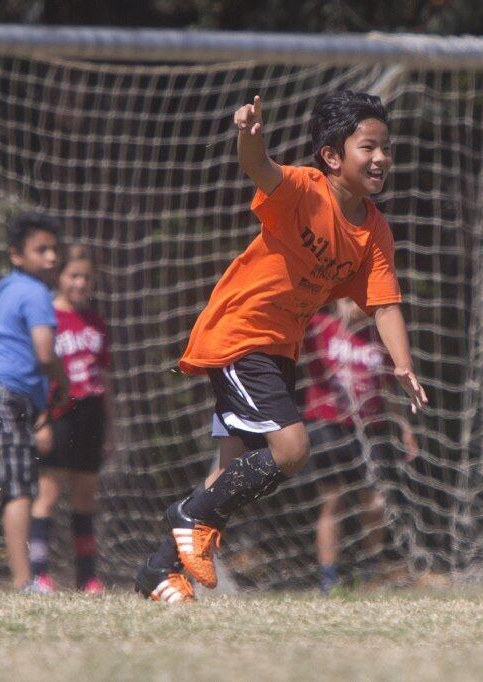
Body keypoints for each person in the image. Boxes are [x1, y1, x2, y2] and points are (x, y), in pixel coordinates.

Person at [134, 91, 428, 604]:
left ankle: (160, 572)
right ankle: (190, 516)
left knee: (229, 467)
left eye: (386, 147)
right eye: (368, 146)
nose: (381, 157)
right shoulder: (304, 190)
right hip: (240, 335)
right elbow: (260, 167)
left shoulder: (375, 228)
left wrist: (402, 364)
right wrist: (249, 136)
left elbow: (384, 303)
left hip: (278, 351)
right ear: (333, 156)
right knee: (291, 449)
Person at [0, 212, 69, 591]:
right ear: (17, 255)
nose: (51, 257)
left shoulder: (4, 288)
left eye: (54, 250)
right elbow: (45, 353)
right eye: (41, 250)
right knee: (19, 486)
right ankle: (24, 581)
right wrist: (62, 382)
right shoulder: (37, 294)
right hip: (9, 395)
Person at [303, 298, 419, 593]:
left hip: (369, 428)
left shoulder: (377, 339)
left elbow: (389, 389)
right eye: (348, 300)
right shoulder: (320, 327)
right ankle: (328, 578)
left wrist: (404, 427)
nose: (354, 306)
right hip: (328, 425)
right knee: (332, 503)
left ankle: (369, 571)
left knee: (376, 502)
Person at [29, 244, 114, 594]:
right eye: (74, 276)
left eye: (87, 278)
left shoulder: (95, 322)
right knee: (48, 493)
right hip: (59, 411)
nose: (80, 283)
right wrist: (40, 421)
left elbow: (105, 378)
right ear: (60, 277)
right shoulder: (48, 318)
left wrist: (113, 427)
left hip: (91, 414)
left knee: (85, 497)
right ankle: (38, 574)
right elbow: (37, 374)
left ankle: (87, 577)